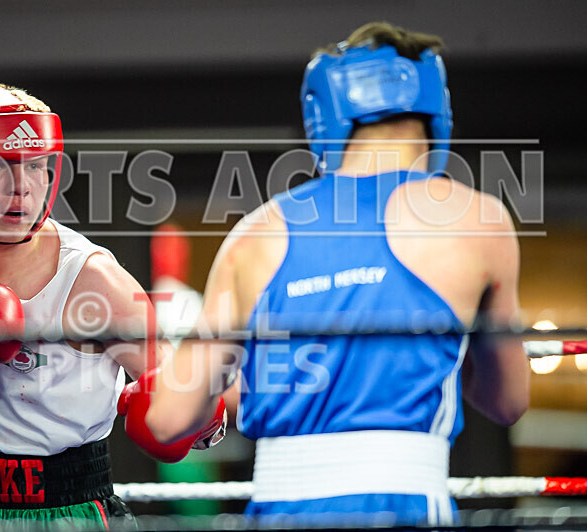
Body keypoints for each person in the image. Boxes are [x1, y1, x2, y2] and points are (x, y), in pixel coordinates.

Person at [143, 22, 530, 526]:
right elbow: (507, 401)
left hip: (280, 507)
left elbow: (170, 417)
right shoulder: (477, 219)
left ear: (323, 114)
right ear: (437, 112)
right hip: (409, 503)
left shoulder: (257, 233)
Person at [0, 82, 222, 528]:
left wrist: (204, 421)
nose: (22, 187)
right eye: (0, 164)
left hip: (72, 511)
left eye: (37, 165)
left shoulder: (93, 281)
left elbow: (186, 407)